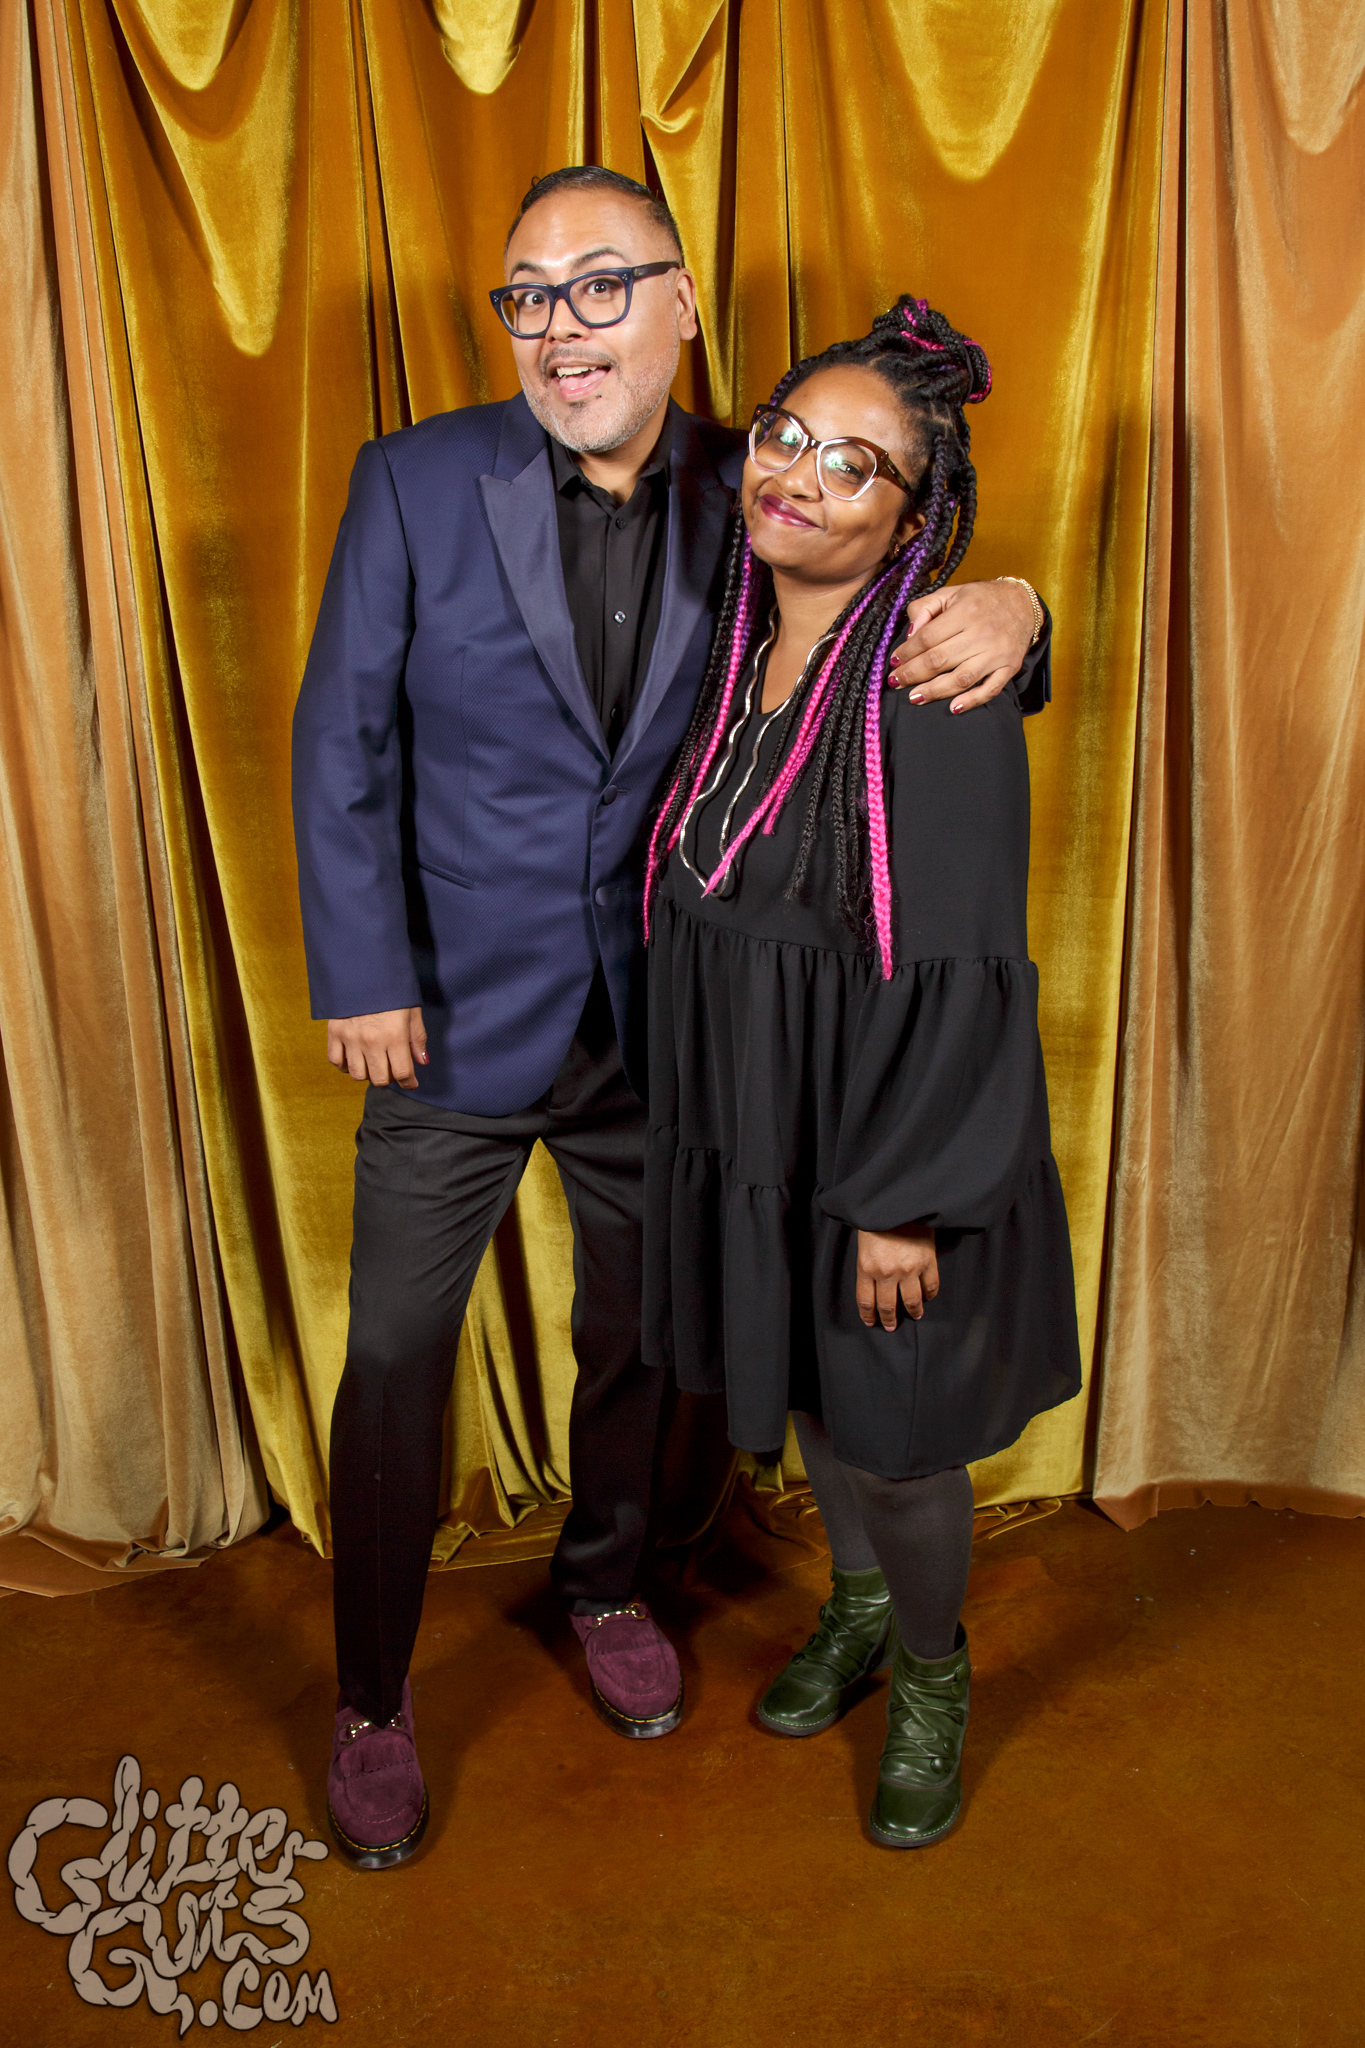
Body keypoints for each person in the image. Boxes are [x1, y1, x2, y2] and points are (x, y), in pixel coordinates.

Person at [292, 166, 1049, 1870]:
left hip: (670, 1035)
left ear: (682, 303)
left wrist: (1023, 609)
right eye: (527, 293)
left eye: (600, 285)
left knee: (642, 1338)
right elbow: (341, 735)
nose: (561, 326)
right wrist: (363, 971)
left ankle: (610, 1585)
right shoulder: (413, 479)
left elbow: (886, 602)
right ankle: (371, 1698)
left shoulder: (755, 479)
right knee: (396, 1354)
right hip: (446, 1020)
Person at [641, 297, 1081, 1849]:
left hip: (881, 1146)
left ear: (914, 519)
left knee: (893, 1441)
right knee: (819, 1412)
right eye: (785, 437)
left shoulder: (929, 683)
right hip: (757, 1120)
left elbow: (959, 966)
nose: (799, 476)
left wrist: (900, 1203)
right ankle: (862, 1604)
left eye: (854, 465)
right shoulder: (731, 652)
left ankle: (934, 1672)